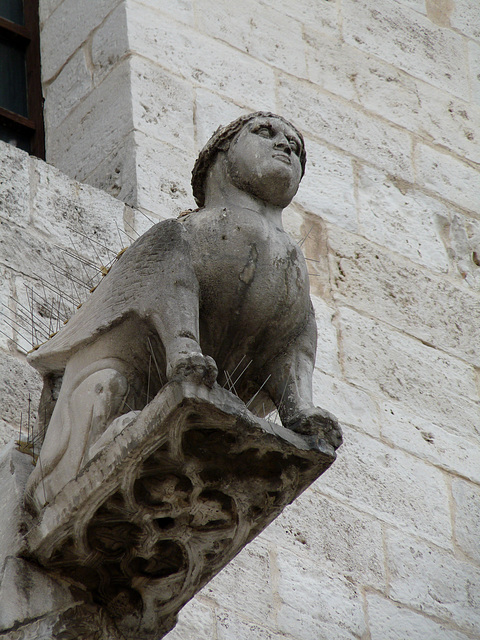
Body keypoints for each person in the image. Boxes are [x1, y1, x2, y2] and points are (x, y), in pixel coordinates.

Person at [25, 112, 341, 512]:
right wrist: (184, 354)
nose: (285, 146)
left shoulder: (292, 262)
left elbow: (295, 338)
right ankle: (87, 449)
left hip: (205, 401)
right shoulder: (185, 232)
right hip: (121, 392)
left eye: (295, 147)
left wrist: (299, 410)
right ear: (219, 155)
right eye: (265, 133)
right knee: (107, 383)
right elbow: (173, 289)